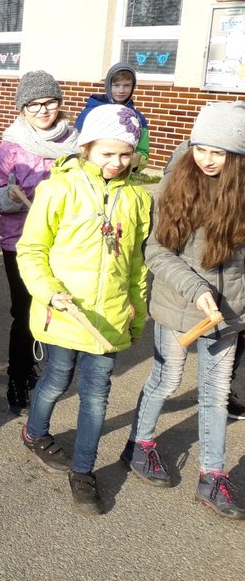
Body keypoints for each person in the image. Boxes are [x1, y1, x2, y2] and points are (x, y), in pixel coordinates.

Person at [17, 104, 150, 516]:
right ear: (87, 147)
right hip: (65, 313)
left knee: (96, 397)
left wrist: (136, 316)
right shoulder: (59, 189)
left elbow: (136, 267)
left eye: (125, 153)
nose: (117, 162)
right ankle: (35, 431)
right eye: (107, 153)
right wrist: (48, 291)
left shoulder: (139, 199)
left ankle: (83, 471)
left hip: (108, 320)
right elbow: (32, 249)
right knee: (56, 380)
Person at [122, 102, 245, 520]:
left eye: (219, 152)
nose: (208, 160)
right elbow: (156, 249)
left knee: (215, 394)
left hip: (229, 315)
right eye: (201, 148)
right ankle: (139, 444)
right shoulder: (177, 183)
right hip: (179, 306)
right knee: (167, 379)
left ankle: (212, 476)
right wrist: (196, 289)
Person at [0, 71, 79, 415]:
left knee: (54, 308)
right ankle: (17, 376)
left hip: (64, 243)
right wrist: (7, 197)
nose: (43, 110)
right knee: (24, 312)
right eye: (34, 104)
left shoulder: (77, 145)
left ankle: (44, 372)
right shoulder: (11, 148)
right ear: (22, 109)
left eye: (49, 102)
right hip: (20, 243)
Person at [75, 62, 150, 171]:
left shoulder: (137, 118)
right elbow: (77, 143)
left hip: (121, 174)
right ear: (108, 86)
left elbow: (144, 152)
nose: (121, 90)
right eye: (116, 85)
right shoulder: (90, 113)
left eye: (127, 85)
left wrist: (136, 160)